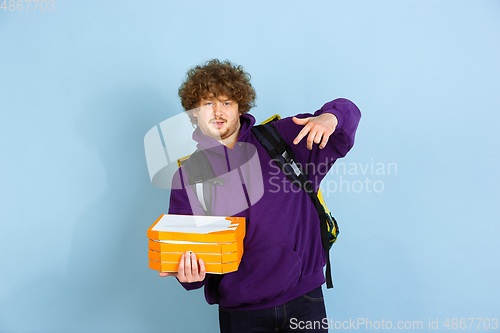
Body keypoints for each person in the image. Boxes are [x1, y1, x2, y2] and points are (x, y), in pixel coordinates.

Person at [160, 59, 361, 332]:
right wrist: (189, 276)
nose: (218, 112)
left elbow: (347, 117)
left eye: (227, 102)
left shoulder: (281, 139)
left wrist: (330, 118)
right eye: (208, 103)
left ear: (240, 106)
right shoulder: (187, 177)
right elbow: (188, 263)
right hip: (242, 314)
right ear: (194, 112)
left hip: (305, 298)